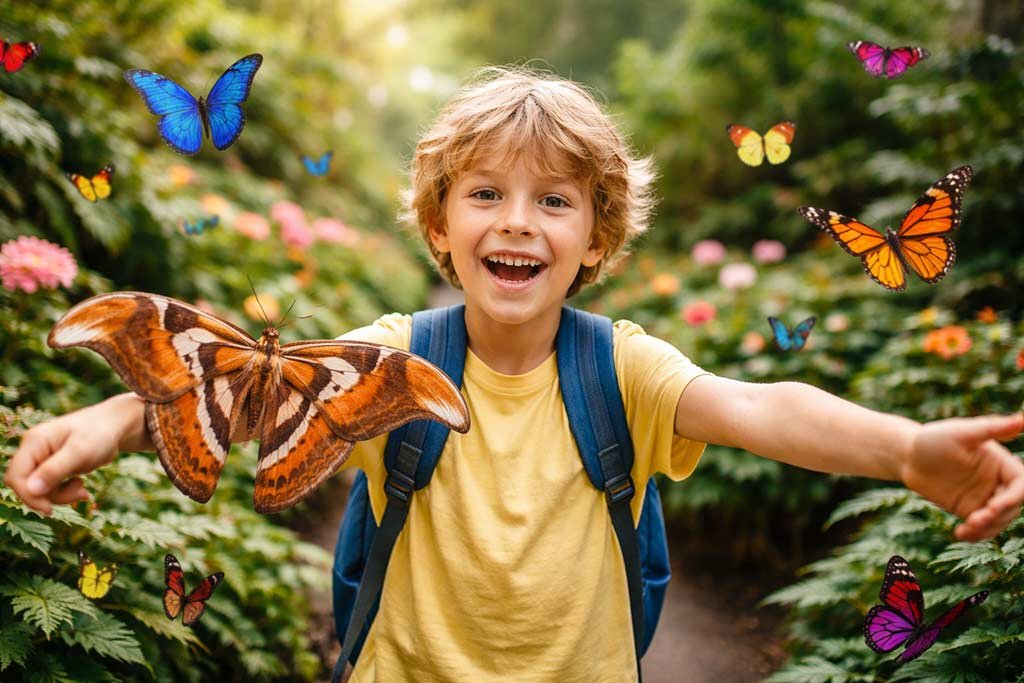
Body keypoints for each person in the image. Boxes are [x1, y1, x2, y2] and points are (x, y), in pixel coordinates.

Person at [6, 66, 1024, 682]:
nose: (516, 221)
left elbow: (759, 405)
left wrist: (904, 448)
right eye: (485, 191)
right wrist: (106, 421)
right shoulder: (390, 355)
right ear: (441, 223)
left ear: (596, 236)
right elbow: (240, 388)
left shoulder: (617, 367)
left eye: (555, 200)